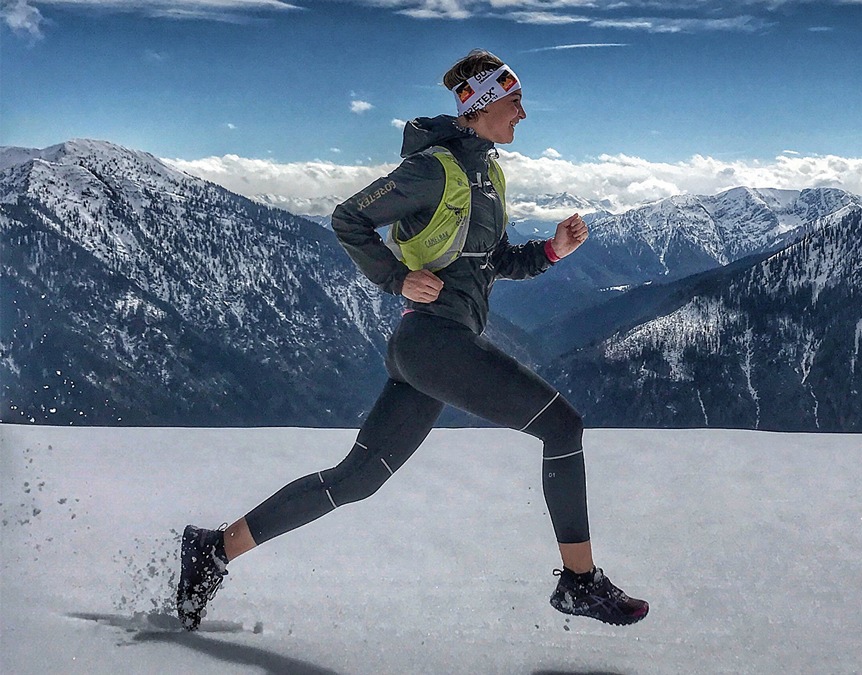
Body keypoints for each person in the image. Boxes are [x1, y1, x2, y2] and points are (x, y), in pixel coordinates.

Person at [176, 49, 649, 631]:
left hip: (433, 349)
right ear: (480, 104)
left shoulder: (489, 173)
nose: (523, 112)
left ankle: (214, 549)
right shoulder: (433, 169)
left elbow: (491, 260)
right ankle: (579, 582)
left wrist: (551, 251)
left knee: (356, 479)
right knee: (563, 425)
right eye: (514, 99)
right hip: (434, 342)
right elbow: (349, 217)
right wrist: (395, 276)